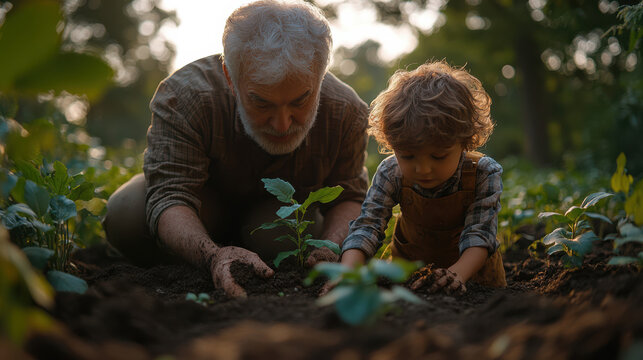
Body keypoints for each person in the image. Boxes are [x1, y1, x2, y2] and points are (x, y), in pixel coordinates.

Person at [103, 0, 369, 298]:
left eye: (299, 101)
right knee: (125, 213)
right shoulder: (185, 97)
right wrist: (212, 256)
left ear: (320, 78)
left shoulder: (346, 112)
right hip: (203, 207)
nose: (282, 124)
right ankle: (195, 260)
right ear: (231, 78)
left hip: (275, 219)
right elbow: (169, 194)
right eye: (261, 102)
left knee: (282, 237)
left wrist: (330, 247)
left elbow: (350, 195)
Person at [339, 61, 507, 294]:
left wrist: (456, 275)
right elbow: (367, 226)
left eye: (438, 156)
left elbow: (480, 235)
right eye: (407, 156)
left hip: (474, 283)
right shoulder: (391, 172)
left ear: (465, 141)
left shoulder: (484, 174)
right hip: (408, 283)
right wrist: (346, 274)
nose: (423, 169)